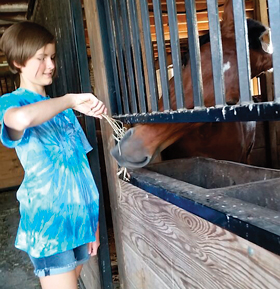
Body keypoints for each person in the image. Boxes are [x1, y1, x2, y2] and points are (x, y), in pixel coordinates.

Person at [0, 21, 107, 289]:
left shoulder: (65, 112)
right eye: (41, 58)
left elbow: (81, 169)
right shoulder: (11, 103)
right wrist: (70, 99)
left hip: (79, 223)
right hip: (49, 227)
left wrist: (91, 224)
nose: (50, 65)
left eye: (52, 57)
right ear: (17, 62)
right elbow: (22, 120)